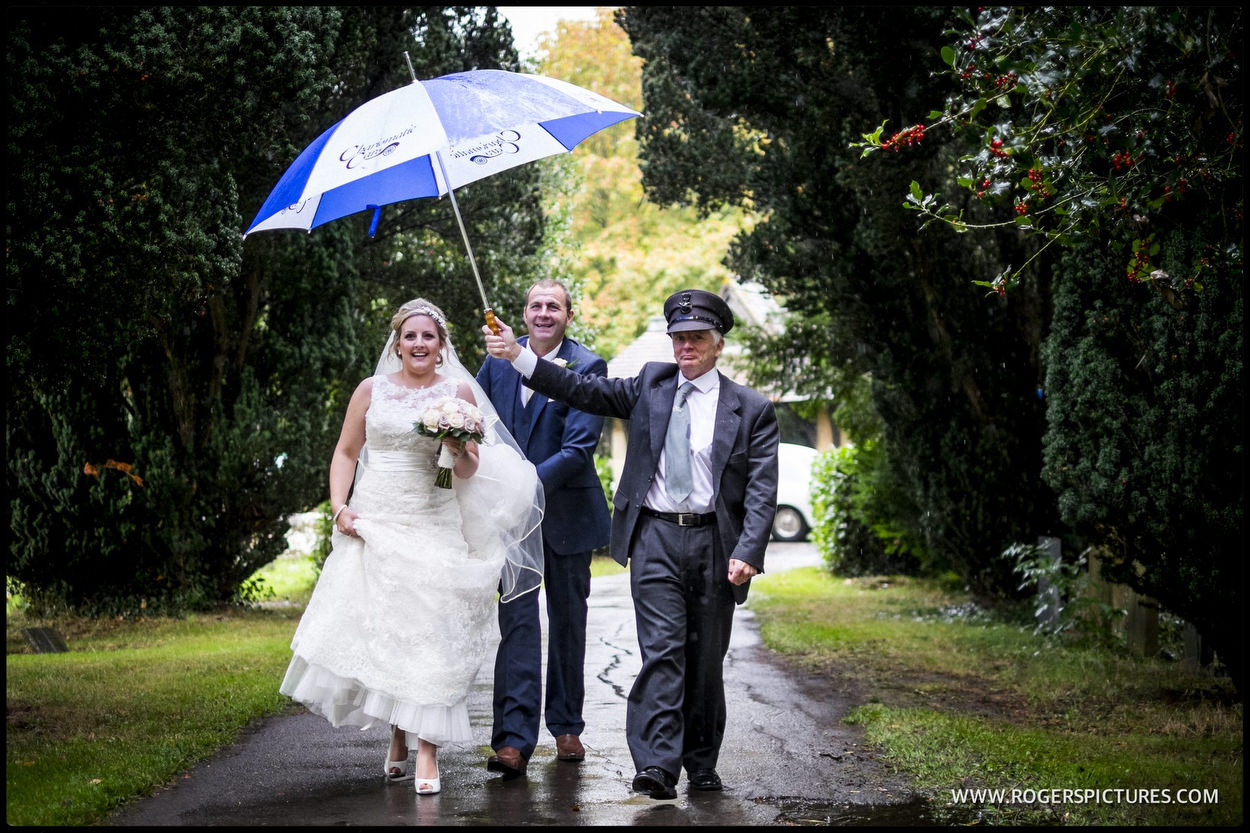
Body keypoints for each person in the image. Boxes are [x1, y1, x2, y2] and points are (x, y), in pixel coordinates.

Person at [483, 288, 780, 799]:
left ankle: (701, 763)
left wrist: (747, 552)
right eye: (678, 338)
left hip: (714, 541)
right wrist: (520, 356)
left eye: (696, 338)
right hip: (656, 537)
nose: (685, 346)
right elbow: (580, 389)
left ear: (717, 344)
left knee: (705, 659)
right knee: (661, 653)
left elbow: (761, 491)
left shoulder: (751, 408)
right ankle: (657, 766)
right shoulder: (651, 384)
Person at [280, 299, 544, 797]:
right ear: (397, 343)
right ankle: (397, 733)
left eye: (429, 336)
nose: (419, 344)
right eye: (410, 336)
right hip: (377, 518)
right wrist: (340, 508)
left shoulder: (459, 392)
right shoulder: (370, 390)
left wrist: (459, 446)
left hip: (434, 518)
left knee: (432, 632)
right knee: (392, 630)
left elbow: (466, 472)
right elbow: (346, 451)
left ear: (442, 345)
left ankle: (427, 748)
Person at [476, 279, 611, 778]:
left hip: (567, 517)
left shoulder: (588, 366)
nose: (544, 312)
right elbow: (478, 427)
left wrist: (524, 486)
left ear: (568, 315)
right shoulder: (494, 364)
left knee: (568, 623)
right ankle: (512, 739)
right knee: (516, 626)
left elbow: (578, 451)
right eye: (535, 305)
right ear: (523, 313)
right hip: (508, 522)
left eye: (554, 306)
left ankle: (567, 726)